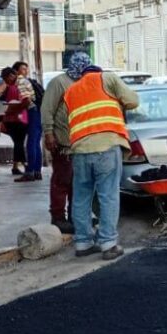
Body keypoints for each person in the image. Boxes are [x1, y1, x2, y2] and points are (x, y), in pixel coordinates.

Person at [51, 53, 139, 259]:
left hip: (80, 151)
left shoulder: (71, 91)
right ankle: (108, 244)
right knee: (107, 195)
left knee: (81, 197)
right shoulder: (107, 79)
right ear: (97, 71)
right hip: (106, 146)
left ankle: (82, 243)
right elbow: (133, 101)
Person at [40, 53, 83, 234]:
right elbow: (47, 109)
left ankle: (75, 216)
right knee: (62, 180)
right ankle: (58, 217)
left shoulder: (84, 82)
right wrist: (49, 134)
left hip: (80, 142)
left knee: (78, 181)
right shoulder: (59, 82)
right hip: (63, 142)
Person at [13, 62, 44, 182]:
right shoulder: (28, 81)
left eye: (25, 69)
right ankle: (37, 171)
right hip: (39, 110)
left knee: (31, 143)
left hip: (33, 111)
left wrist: (15, 108)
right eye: (23, 69)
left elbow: (27, 100)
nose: (25, 71)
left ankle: (30, 172)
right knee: (36, 142)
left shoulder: (20, 82)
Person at [0, 67, 30, 176]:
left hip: (11, 119)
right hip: (18, 119)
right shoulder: (15, 87)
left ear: (11, 76)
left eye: (6, 79)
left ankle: (16, 166)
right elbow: (17, 104)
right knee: (19, 143)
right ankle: (24, 165)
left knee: (18, 143)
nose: (6, 82)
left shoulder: (14, 87)